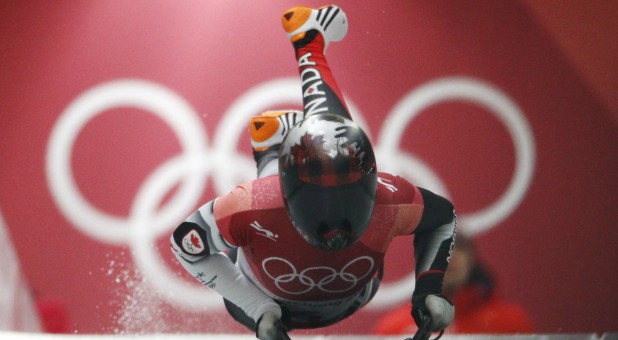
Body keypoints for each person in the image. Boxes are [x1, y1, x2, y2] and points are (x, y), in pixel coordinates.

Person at [170, 5, 456, 339]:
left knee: (338, 140)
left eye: (347, 199)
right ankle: (305, 51)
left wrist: (429, 290)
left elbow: (442, 219)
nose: (333, 228)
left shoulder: (391, 199)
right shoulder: (249, 204)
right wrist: (257, 307)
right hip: (280, 291)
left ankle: (300, 65)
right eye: (315, 203)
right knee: (331, 143)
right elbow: (186, 244)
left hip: (341, 289)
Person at [373, 235, 535, 335]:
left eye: (460, 248)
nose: (450, 257)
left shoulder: (510, 323)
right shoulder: (395, 328)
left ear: (472, 262)